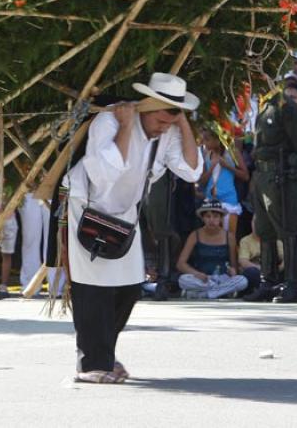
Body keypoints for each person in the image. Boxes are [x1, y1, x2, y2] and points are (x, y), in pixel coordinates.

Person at [64, 73, 202, 383]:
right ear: (146, 107)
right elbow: (106, 173)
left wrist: (182, 125)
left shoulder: (167, 131)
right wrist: (126, 126)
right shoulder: (110, 121)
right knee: (92, 290)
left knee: (128, 288)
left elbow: (192, 170)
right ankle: (91, 364)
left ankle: (104, 355)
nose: (163, 127)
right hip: (87, 206)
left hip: (125, 213)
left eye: (171, 120)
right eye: (162, 119)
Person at [243, 82, 297, 303]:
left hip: (280, 174)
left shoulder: (284, 105)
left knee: (287, 228)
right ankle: (268, 282)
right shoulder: (264, 105)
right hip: (263, 174)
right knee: (264, 228)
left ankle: (292, 285)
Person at [176, 200, 248, 299]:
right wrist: (196, 273)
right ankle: (220, 292)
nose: (211, 220)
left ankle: (206, 294)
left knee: (242, 281)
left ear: (221, 218)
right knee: (183, 279)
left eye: (215, 216)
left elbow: (233, 265)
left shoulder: (229, 237)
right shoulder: (195, 235)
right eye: (208, 216)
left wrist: (233, 271)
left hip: (222, 278)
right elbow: (181, 264)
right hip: (203, 279)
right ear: (203, 218)